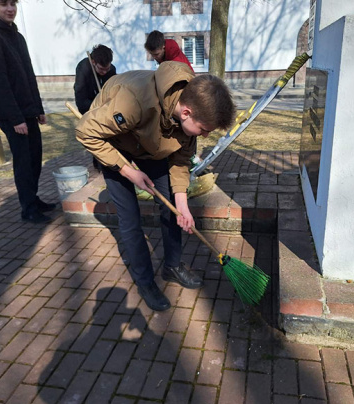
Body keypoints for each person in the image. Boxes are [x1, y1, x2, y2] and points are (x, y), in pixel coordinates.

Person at [75, 61, 235, 311]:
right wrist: (128, 171)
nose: (204, 136)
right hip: (113, 142)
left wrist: (182, 204)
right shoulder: (134, 101)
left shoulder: (191, 110)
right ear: (186, 113)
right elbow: (86, 132)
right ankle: (145, 281)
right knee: (130, 219)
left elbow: (181, 159)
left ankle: (172, 266)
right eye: (204, 130)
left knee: (171, 206)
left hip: (151, 143)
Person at [0, 0, 55, 224]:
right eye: (4, 4)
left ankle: (33, 198)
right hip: (12, 115)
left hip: (27, 111)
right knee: (23, 161)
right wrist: (16, 119)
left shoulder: (16, 36)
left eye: (13, 4)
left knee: (34, 158)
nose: (10, 8)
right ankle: (28, 209)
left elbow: (28, 76)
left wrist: (37, 108)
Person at [74, 44, 117, 115]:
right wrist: (97, 107)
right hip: (89, 106)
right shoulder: (83, 69)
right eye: (101, 69)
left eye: (107, 69)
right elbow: (81, 100)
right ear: (93, 62)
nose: (105, 72)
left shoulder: (111, 70)